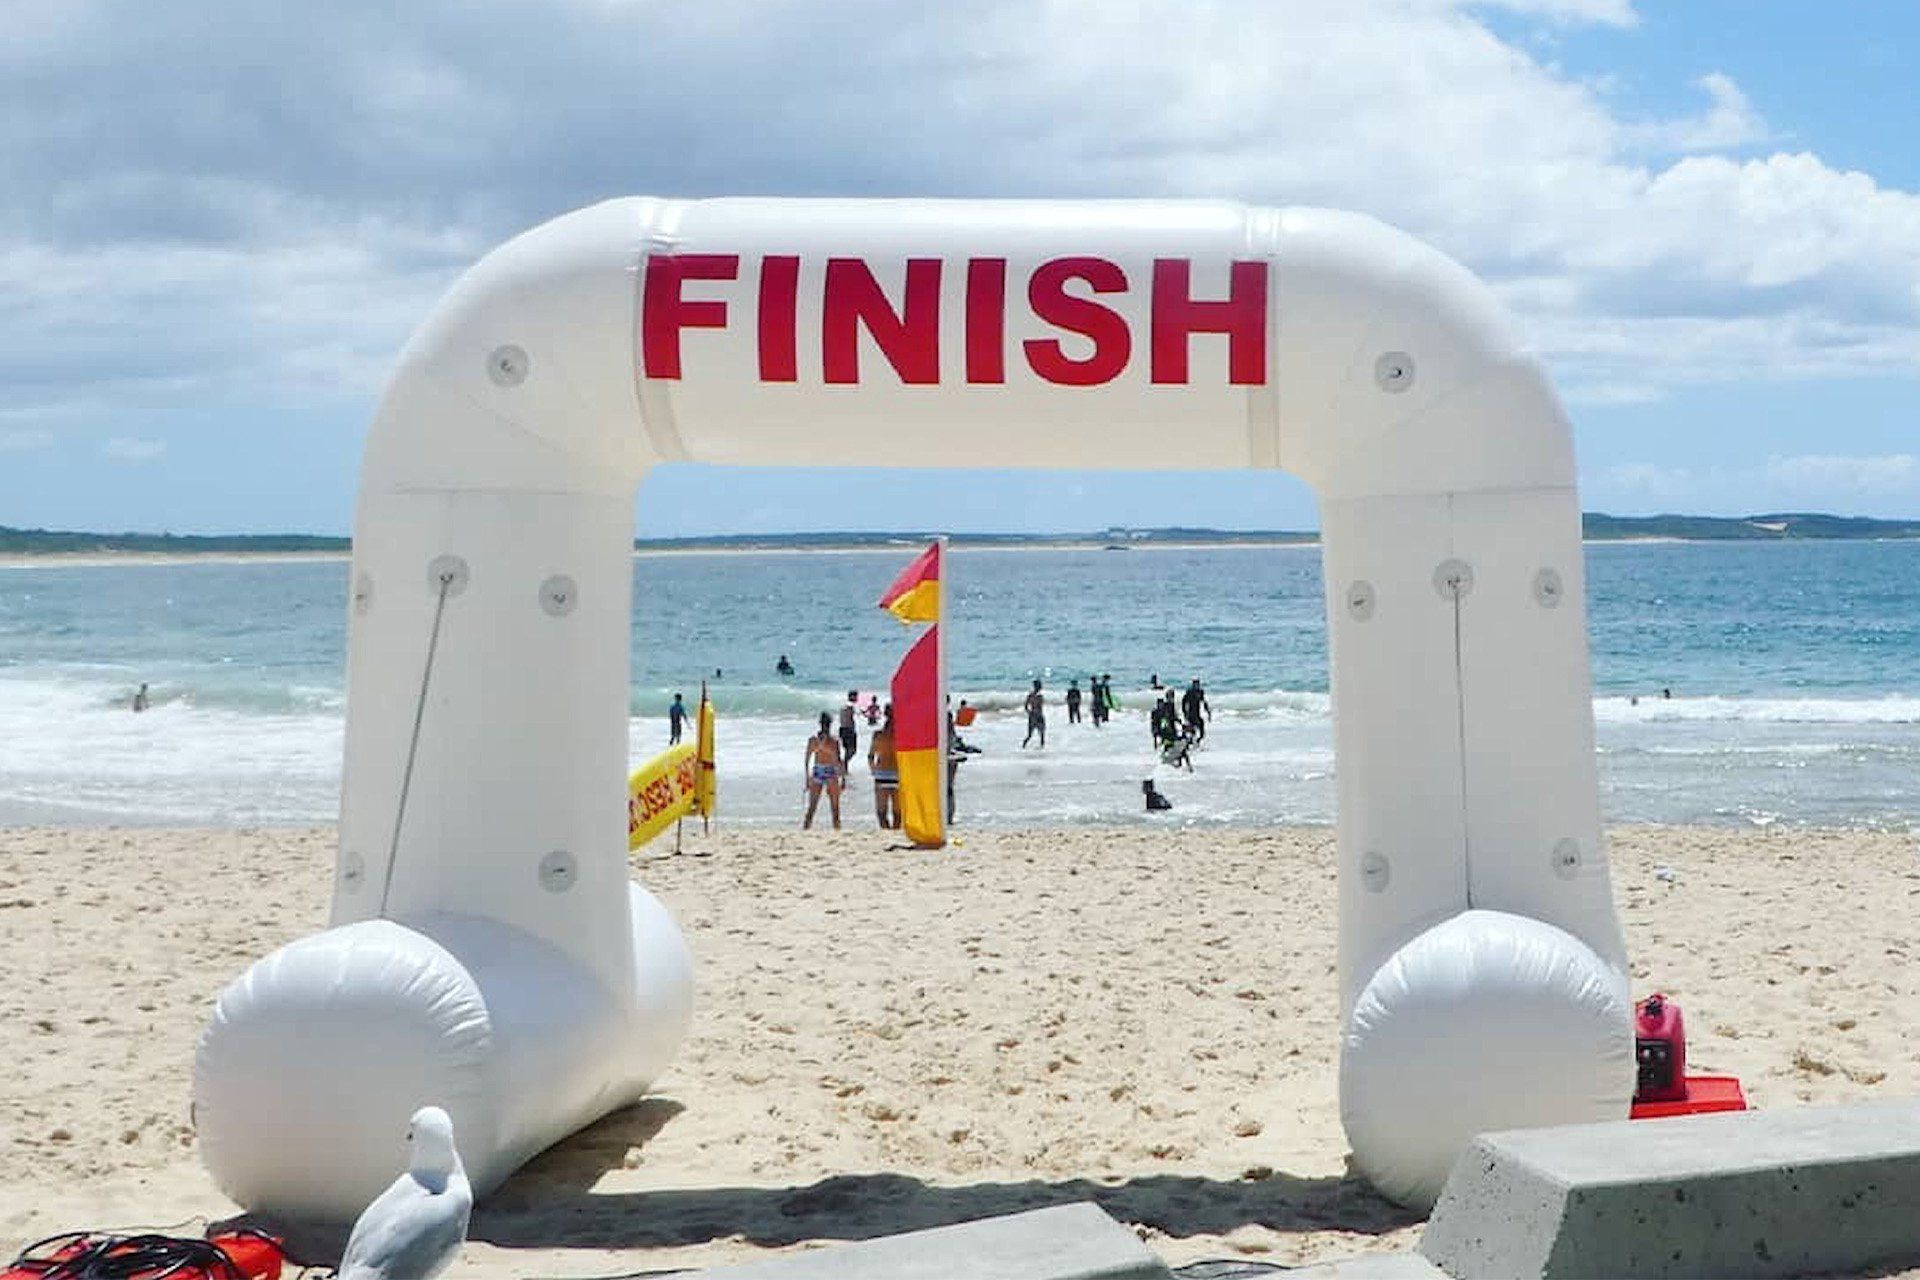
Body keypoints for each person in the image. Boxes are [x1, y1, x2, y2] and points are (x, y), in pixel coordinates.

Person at [802, 712, 845, 830]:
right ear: (830, 724)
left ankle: (805, 830)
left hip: (819, 770)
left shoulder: (814, 740)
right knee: (835, 808)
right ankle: (837, 831)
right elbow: (838, 761)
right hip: (830, 770)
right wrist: (843, 778)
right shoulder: (833, 741)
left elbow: (806, 760)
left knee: (812, 807)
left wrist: (807, 778)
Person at [868, 705, 900, 830]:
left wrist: (873, 770)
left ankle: (886, 833)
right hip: (898, 773)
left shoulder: (878, 735)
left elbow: (871, 756)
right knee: (898, 813)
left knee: (881, 813)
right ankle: (895, 833)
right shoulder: (903, 734)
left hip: (881, 774)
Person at [1181, 678, 1210, 743]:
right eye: (1195, 684)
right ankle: (1187, 740)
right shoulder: (1189, 692)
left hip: (1197, 714)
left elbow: (1203, 702)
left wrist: (1208, 712)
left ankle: (1198, 740)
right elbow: (1184, 702)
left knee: (1201, 726)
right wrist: (1184, 712)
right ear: (1193, 684)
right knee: (1191, 729)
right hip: (1190, 714)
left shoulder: (1200, 692)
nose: (1196, 685)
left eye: (1197, 684)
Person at [839, 691, 861, 770]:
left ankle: (845, 768)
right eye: (856, 696)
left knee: (847, 750)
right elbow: (858, 713)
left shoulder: (844, 705)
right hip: (849, 730)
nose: (857, 698)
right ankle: (843, 764)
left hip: (842, 729)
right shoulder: (850, 706)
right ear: (852, 696)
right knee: (852, 751)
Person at [1022, 679, 1046, 748]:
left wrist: (1029, 713)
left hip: (1032, 716)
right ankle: (1041, 749)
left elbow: (1026, 707)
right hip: (1038, 716)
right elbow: (1040, 707)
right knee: (1041, 735)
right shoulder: (1040, 696)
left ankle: (1023, 747)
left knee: (1030, 735)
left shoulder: (1030, 696)